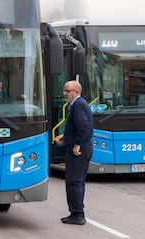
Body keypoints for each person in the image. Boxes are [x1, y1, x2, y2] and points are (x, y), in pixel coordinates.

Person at [55, 80, 93, 226]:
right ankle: (75, 212)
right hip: (80, 146)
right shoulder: (77, 104)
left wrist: (77, 144)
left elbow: (83, 127)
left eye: (67, 91)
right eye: (64, 90)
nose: (64, 93)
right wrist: (65, 136)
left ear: (76, 92)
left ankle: (78, 214)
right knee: (74, 180)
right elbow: (77, 126)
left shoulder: (78, 104)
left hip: (79, 149)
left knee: (74, 181)